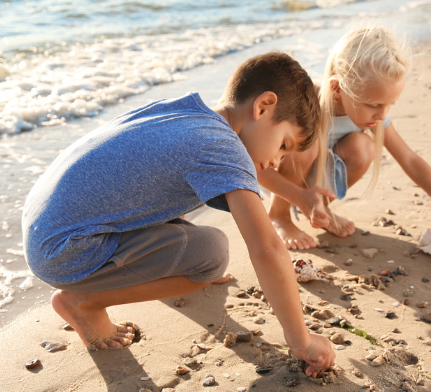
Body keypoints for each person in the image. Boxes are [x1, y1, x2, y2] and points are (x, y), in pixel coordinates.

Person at [22, 52, 335, 377]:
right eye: (284, 145)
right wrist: (301, 340)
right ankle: (84, 303)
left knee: (192, 238)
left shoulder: (188, 112)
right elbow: (266, 248)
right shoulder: (224, 147)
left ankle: (127, 277)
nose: (277, 163)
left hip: (43, 226)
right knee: (212, 254)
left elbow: (147, 183)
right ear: (263, 106)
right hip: (64, 252)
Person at [258, 27, 431, 250]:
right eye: (373, 105)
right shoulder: (304, 106)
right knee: (309, 143)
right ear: (337, 88)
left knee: (364, 147)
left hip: (313, 180)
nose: (382, 115)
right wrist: (298, 196)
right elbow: (257, 168)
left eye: (390, 105)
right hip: (280, 179)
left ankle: (323, 208)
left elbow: (410, 160)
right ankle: (279, 215)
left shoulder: (375, 116)